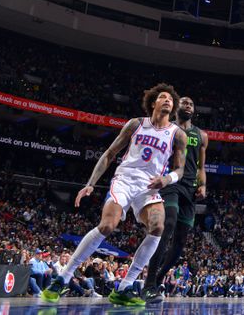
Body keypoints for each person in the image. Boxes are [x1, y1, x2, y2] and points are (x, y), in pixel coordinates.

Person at [41, 83, 188, 307]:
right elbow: (110, 154)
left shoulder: (177, 134)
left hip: (150, 186)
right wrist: (90, 184)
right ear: (153, 102)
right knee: (108, 225)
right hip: (125, 180)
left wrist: (167, 179)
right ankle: (64, 277)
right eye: (163, 97)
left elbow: (179, 170)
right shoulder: (136, 124)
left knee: (158, 227)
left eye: (171, 98)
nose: (168, 100)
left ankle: (125, 286)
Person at [143, 96, 209, 303]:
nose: (188, 105)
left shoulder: (202, 135)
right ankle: (149, 282)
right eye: (185, 102)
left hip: (190, 188)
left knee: (180, 241)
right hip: (170, 182)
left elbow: (201, 167)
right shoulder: (167, 128)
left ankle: (158, 278)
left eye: (191, 103)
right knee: (168, 223)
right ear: (176, 107)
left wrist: (203, 184)